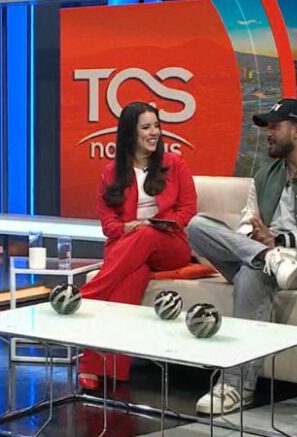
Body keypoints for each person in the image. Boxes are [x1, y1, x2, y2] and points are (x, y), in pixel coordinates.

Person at [186, 98, 297, 415]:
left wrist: (282, 240)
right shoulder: (265, 174)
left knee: (253, 274)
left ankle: (236, 385)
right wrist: (257, 242)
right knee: (197, 226)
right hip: (263, 254)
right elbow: (247, 220)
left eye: (275, 126)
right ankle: (266, 257)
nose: (269, 133)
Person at [76, 101, 197, 390]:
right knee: (130, 280)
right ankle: (99, 367)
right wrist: (125, 227)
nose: (154, 132)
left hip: (170, 244)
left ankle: (86, 295)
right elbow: (108, 223)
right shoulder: (111, 173)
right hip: (131, 249)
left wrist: (159, 223)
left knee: (145, 234)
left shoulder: (174, 164)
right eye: (146, 127)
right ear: (130, 133)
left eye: (157, 126)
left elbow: (188, 209)